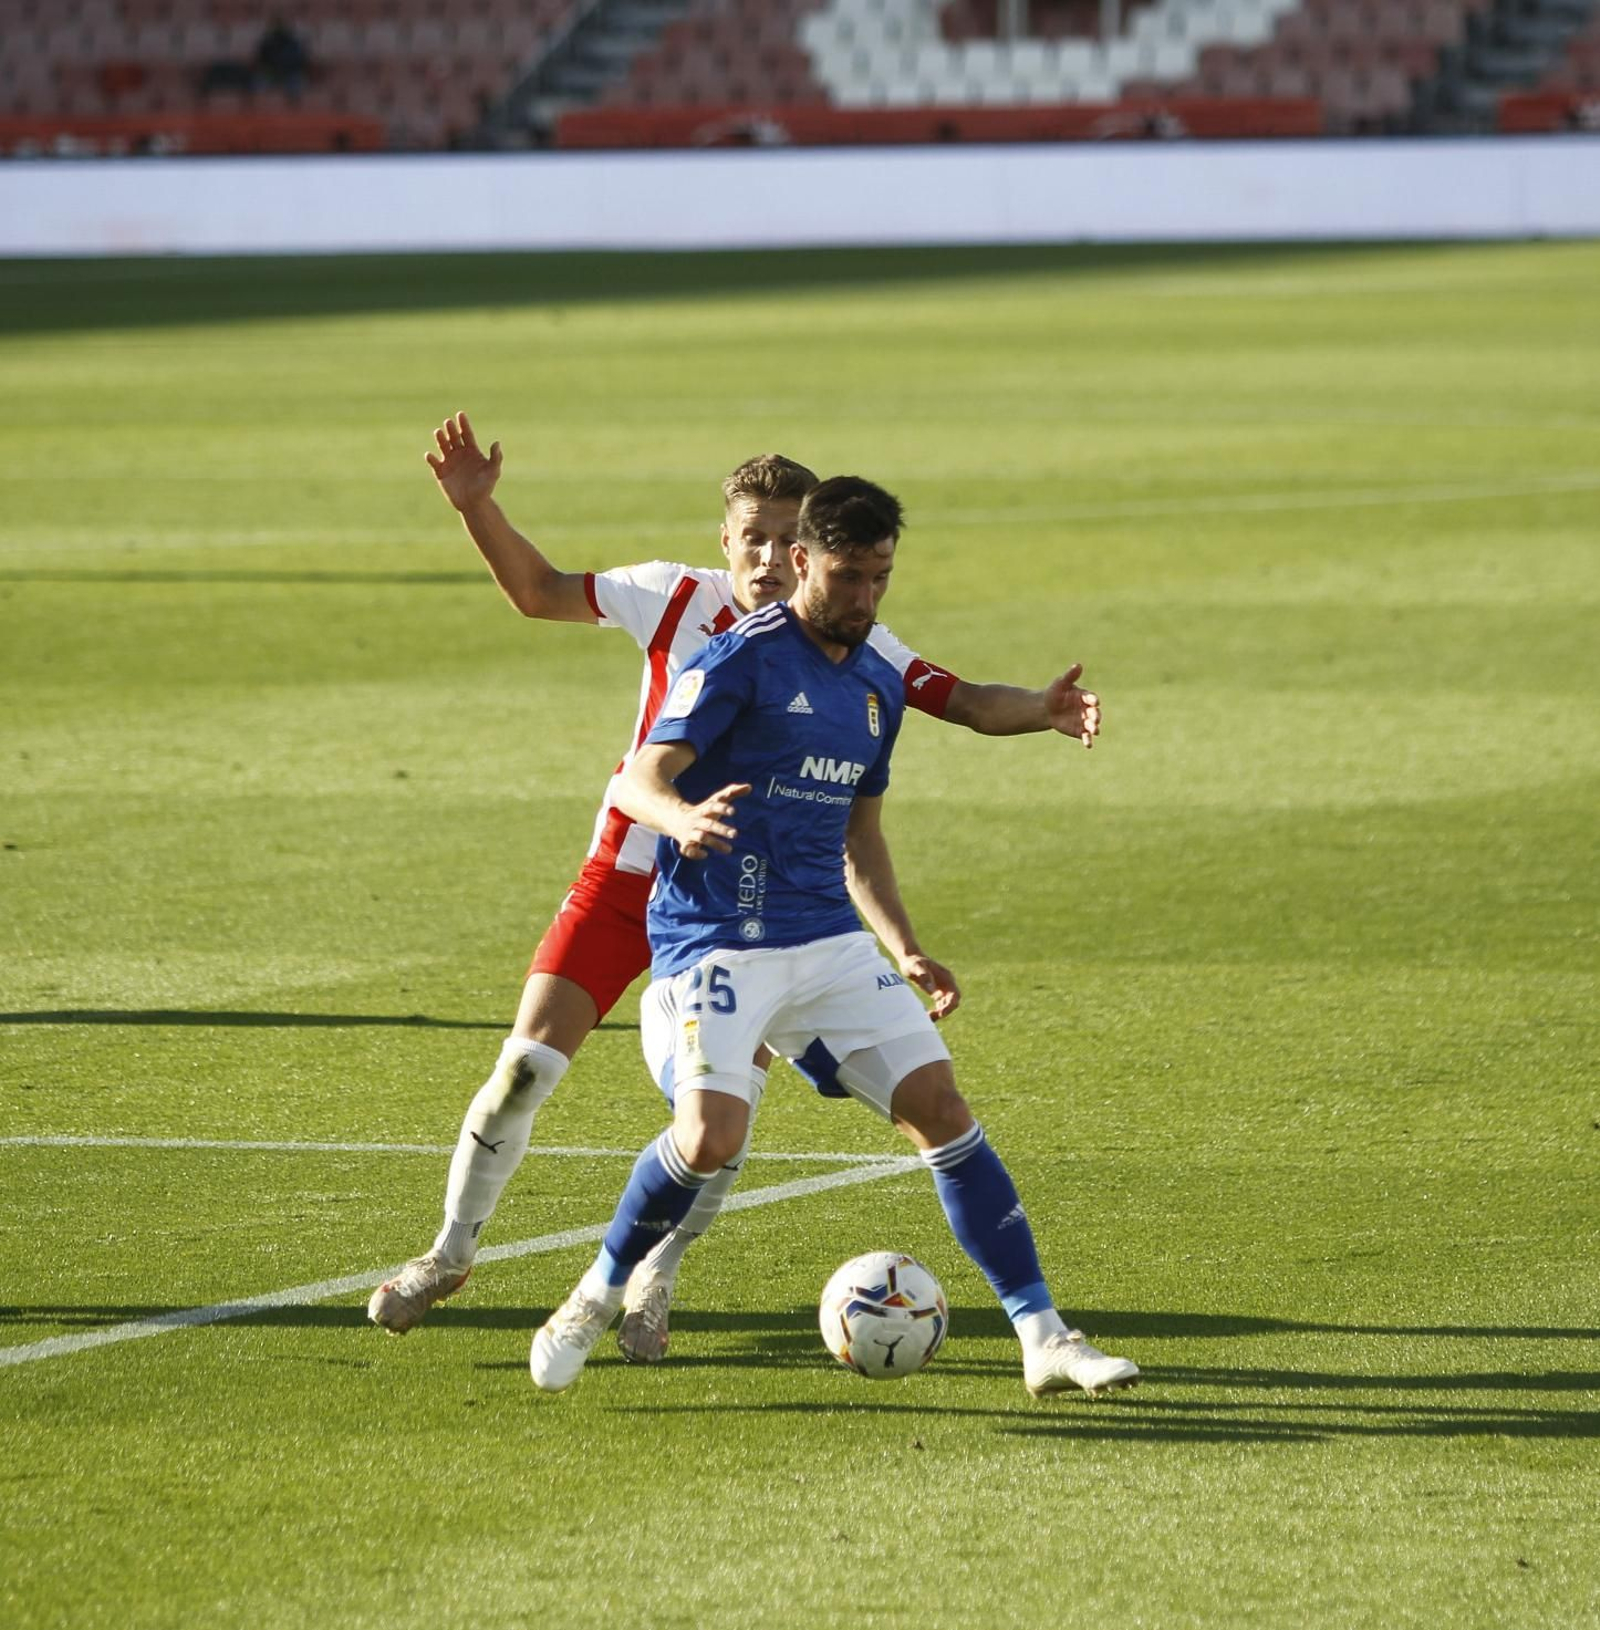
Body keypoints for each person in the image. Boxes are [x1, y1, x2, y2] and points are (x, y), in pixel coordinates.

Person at [368, 414, 1103, 1355]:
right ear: (727, 538)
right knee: (522, 1070)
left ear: (807, 550)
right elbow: (538, 592)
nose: (763, 554)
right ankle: (449, 1252)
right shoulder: (670, 597)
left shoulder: (849, 636)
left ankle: (656, 1279)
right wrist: (479, 509)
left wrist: (1038, 710)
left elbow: (954, 697)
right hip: (627, 879)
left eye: (781, 537)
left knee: (718, 1117)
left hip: (748, 910)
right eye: (748, 535)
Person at [530, 476, 1138, 1398]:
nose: (865, 598)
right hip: (716, 937)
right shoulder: (738, 659)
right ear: (803, 560)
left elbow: (863, 837)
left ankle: (1044, 1336)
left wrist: (902, 944)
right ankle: (594, 1293)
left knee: (940, 1106)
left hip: (824, 939)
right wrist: (680, 818)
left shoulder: (872, 680)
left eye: (881, 578)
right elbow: (638, 780)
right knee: (707, 1136)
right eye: (849, 576)